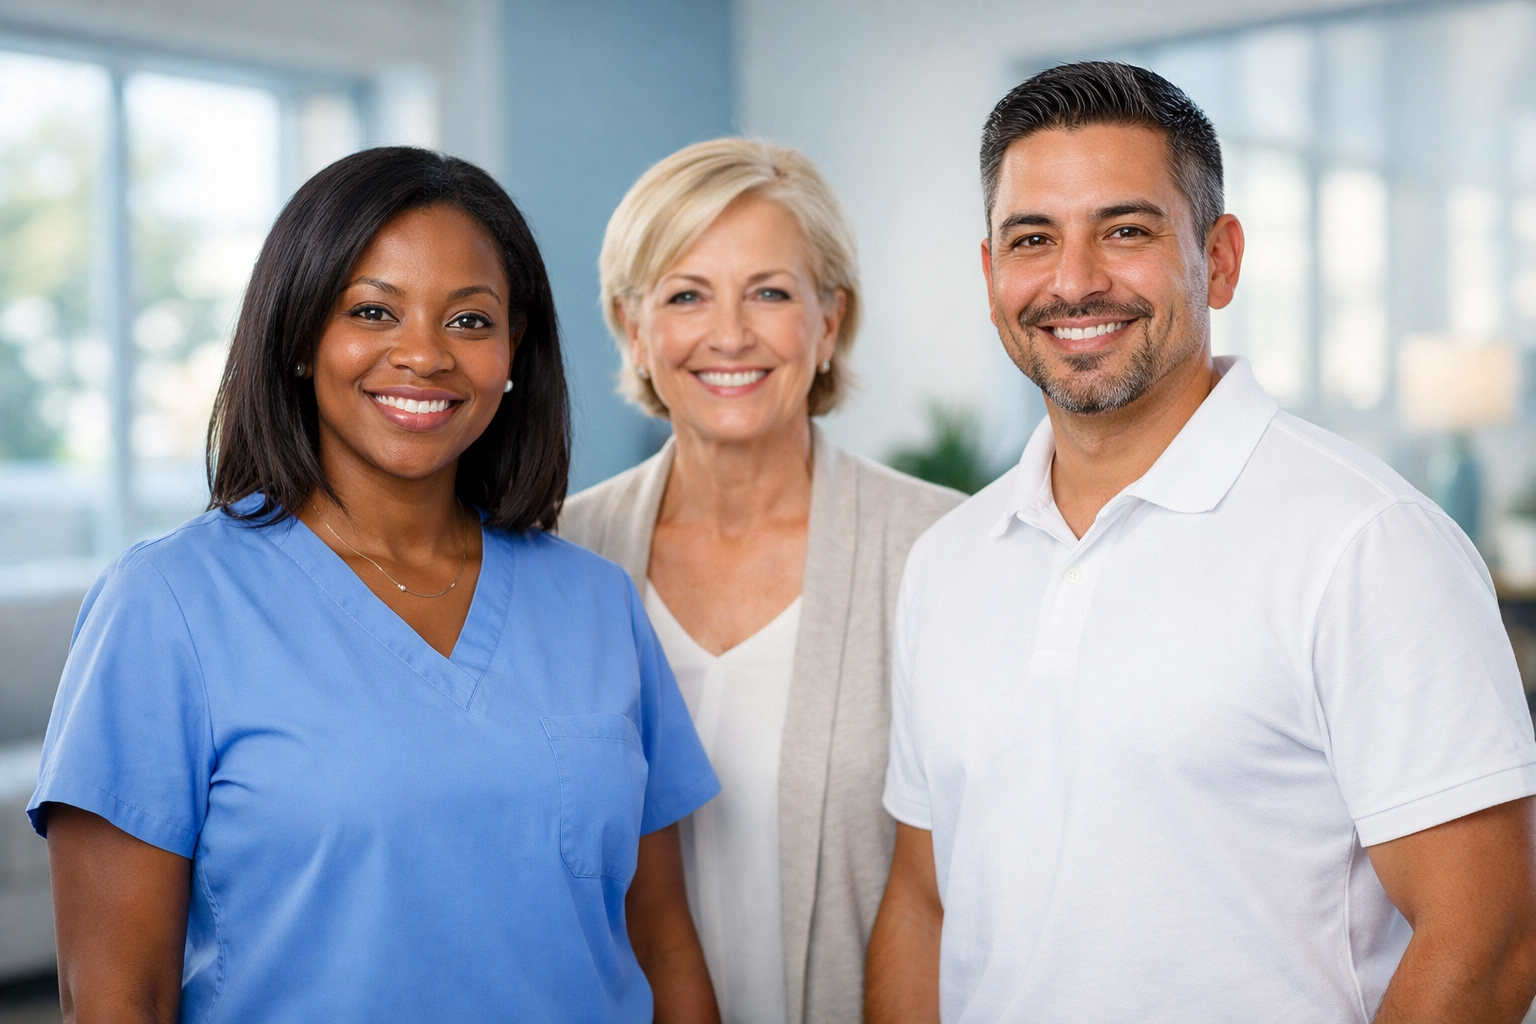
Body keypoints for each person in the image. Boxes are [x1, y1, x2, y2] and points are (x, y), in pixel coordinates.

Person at [866, 61, 1536, 1024]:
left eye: (1126, 230)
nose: (1074, 281)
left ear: (1218, 258)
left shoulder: (1370, 545)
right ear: (990, 275)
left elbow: (1488, 939)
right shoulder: (948, 560)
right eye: (1032, 239)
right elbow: (925, 902)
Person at [28, 147, 721, 1024]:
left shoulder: (597, 603)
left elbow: (660, 942)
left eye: (470, 321)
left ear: (515, 354)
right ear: (298, 338)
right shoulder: (167, 605)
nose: (424, 354)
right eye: (371, 310)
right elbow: (118, 999)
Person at [559, 137, 962, 1024]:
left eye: (770, 293)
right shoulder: (562, 554)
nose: (730, 334)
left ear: (829, 321)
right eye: (687, 295)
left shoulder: (942, 549)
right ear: (635, 328)